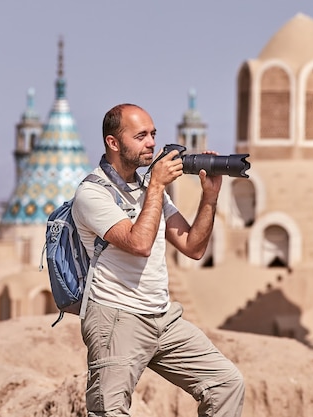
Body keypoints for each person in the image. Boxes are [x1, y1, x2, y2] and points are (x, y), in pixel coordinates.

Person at [72, 103, 245, 416]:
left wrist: (210, 196)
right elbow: (138, 244)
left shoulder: (147, 191)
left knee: (226, 383)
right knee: (109, 411)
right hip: (116, 318)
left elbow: (192, 246)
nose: (151, 142)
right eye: (140, 136)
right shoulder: (92, 194)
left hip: (161, 317)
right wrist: (155, 186)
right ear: (113, 143)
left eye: (152, 134)